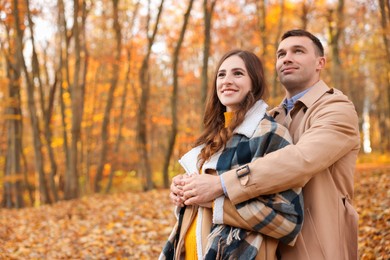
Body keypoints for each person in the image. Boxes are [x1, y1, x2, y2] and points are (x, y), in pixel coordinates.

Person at [171, 29, 360, 260]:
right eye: (281, 54)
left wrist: (221, 184)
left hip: (316, 243)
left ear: (320, 62)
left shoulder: (336, 108)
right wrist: (189, 186)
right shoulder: (269, 118)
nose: (286, 58)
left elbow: (301, 159)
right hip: (264, 245)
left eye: (298, 51)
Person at [160, 50, 304, 260]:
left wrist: (214, 202)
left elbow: (288, 223)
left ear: (254, 82)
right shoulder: (212, 137)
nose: (227, 81)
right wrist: (183, 192)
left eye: (238, 74)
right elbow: (199, 204)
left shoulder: (270, 134)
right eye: (221, 75)